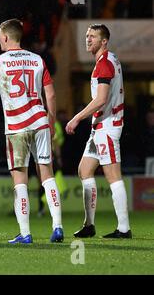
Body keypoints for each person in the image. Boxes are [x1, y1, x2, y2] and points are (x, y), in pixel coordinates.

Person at [0, 19, 64, 244]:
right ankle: (57, 226)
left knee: (20, 181)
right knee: (46, 175)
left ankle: (25, 233)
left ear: (6, 37)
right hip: (39, 123)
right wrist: (51, 121)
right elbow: (52, 95)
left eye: (0, 35)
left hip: (16, 127)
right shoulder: (38, 59)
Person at [66, 24, 131, 238]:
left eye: (93, 36)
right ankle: (89, 225)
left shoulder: (104, 63)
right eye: (86, 36)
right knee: (84, 170)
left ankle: (124, 228)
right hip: (100, 128)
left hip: (108, 127)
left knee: (113, 176)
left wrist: (76, 118)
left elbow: (101, 100)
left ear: (104, 41)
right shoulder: (108, 60)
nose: (88, 39)